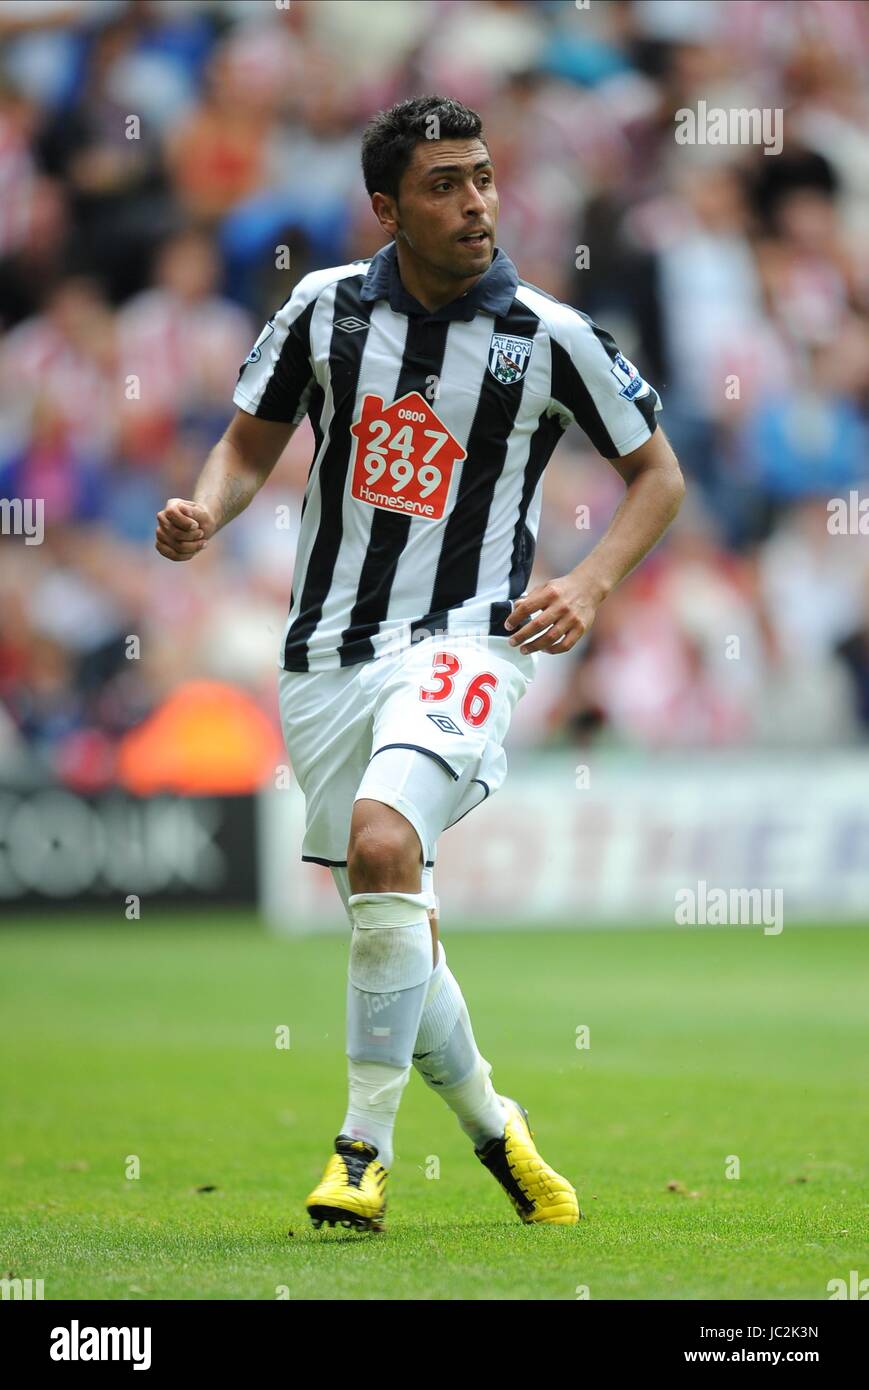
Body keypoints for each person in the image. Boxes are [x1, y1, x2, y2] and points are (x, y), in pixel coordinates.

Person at [155, 95, 685, 1232]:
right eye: (444, 185)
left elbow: (659, 475)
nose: (476, 202)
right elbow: (248, 445)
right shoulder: (320, 310)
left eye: (484, 177)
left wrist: (587, 585)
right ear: (387, 208)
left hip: (470, 637)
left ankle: (360, 1154)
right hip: (324, 657)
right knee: (392, 912)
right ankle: (498, 1129)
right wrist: (206, 509)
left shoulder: (549, 335)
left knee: (386, 840)